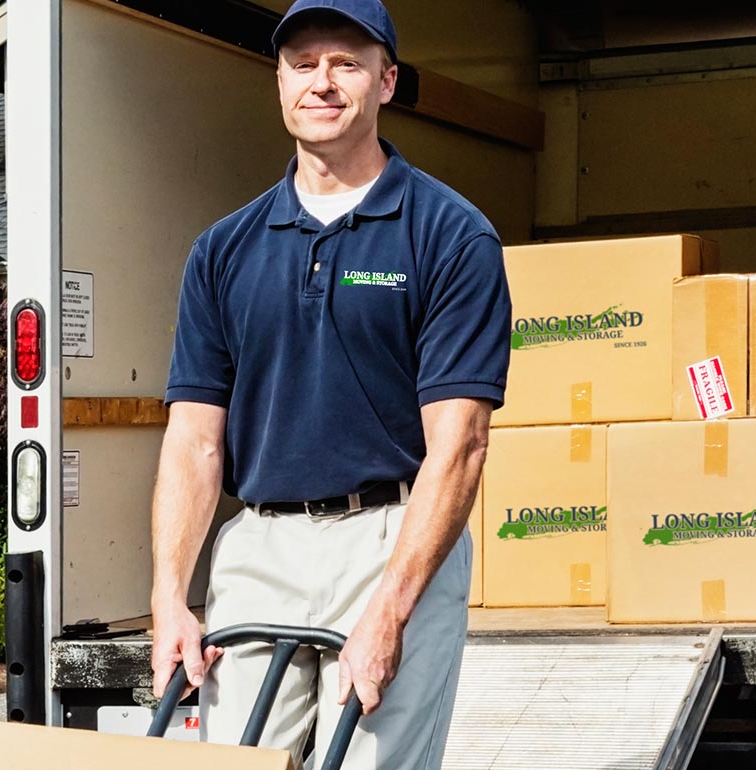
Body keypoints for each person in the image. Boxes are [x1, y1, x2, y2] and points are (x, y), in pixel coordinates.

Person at [147, 0, 512, 767]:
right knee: (234, 761)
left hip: (389, 538)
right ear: (279, 82)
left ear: (387, 81)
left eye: (346, 62)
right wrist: (169, 595)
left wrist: (393, 607)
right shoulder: (224, 250)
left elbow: (461, 446)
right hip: (259, 546)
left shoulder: (448, 234)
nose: (322, 81)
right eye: (302, 63)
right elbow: (193, 440)